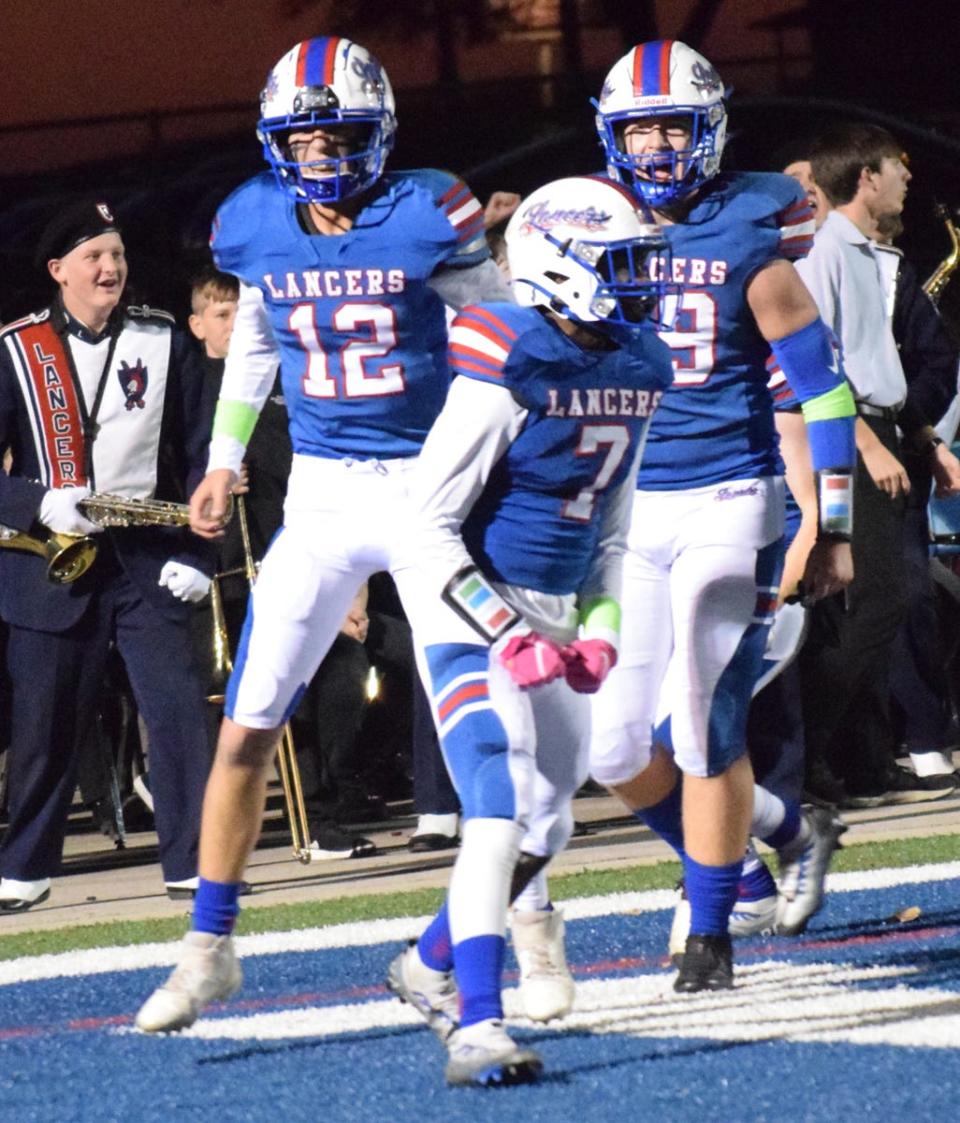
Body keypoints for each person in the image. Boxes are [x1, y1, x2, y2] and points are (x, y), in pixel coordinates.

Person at [135, 35, 510, 1032]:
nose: (319, 159)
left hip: (430, 491)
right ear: (276, 145)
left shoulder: (430, 210)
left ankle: (524, 933)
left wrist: (490, 460)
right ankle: (209, 945)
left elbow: (502, 336)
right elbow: (257, 336)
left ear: (377, 133)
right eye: (301, 141)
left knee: (480, 729)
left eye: (337, 135)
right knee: (247, 724)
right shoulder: (255, 224)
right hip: (324, 499)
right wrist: (221, 458)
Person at [385, 174, 675, 1085]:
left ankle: (424, 962)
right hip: (465, 600)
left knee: (550, 821)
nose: (639, 283)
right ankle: (476, 1023)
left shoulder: (635, 363)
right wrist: (504, 628)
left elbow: (612, 528)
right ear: (559, 266)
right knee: (498, 805)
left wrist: (600, 624)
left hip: (549, 609)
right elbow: (419, 529)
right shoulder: (511, 355)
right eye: (619, 264)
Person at [583, 40, 857, 991]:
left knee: (702, 723)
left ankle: (711, 930)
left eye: (673, 124)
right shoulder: (587, 223)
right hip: (627, 509)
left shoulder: (750, 222)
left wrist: (832, 519)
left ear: (710, 127)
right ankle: (775, 832)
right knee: (613, 745)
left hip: (729, 493)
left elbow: (824, 390)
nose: (657, 146)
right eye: (639, 128)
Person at [0, 200, 217, 911]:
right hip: (50, 564)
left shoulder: (161, 338)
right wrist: (34, 502)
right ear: (59, 270)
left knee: (180, 711)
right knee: (45, 726)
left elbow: (202, 451)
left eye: (117, 254)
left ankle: (192, 861)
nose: (110, 267)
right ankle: (25, 866)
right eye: (94, 256)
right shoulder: (16, 348)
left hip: (147, 558)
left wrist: (199, 552)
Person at [797, 123, 960, 805]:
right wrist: (866, 442)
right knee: (867, 605)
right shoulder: (824, 253)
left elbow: (879, 364)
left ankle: (861, 760)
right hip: (849, 445)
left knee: (878, 608)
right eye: (897, 168)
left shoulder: (870, 254)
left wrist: (922, 437)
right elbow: (820, 368)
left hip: (886, 437)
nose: (907, 179)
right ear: (866, 177)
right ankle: (796, 758)